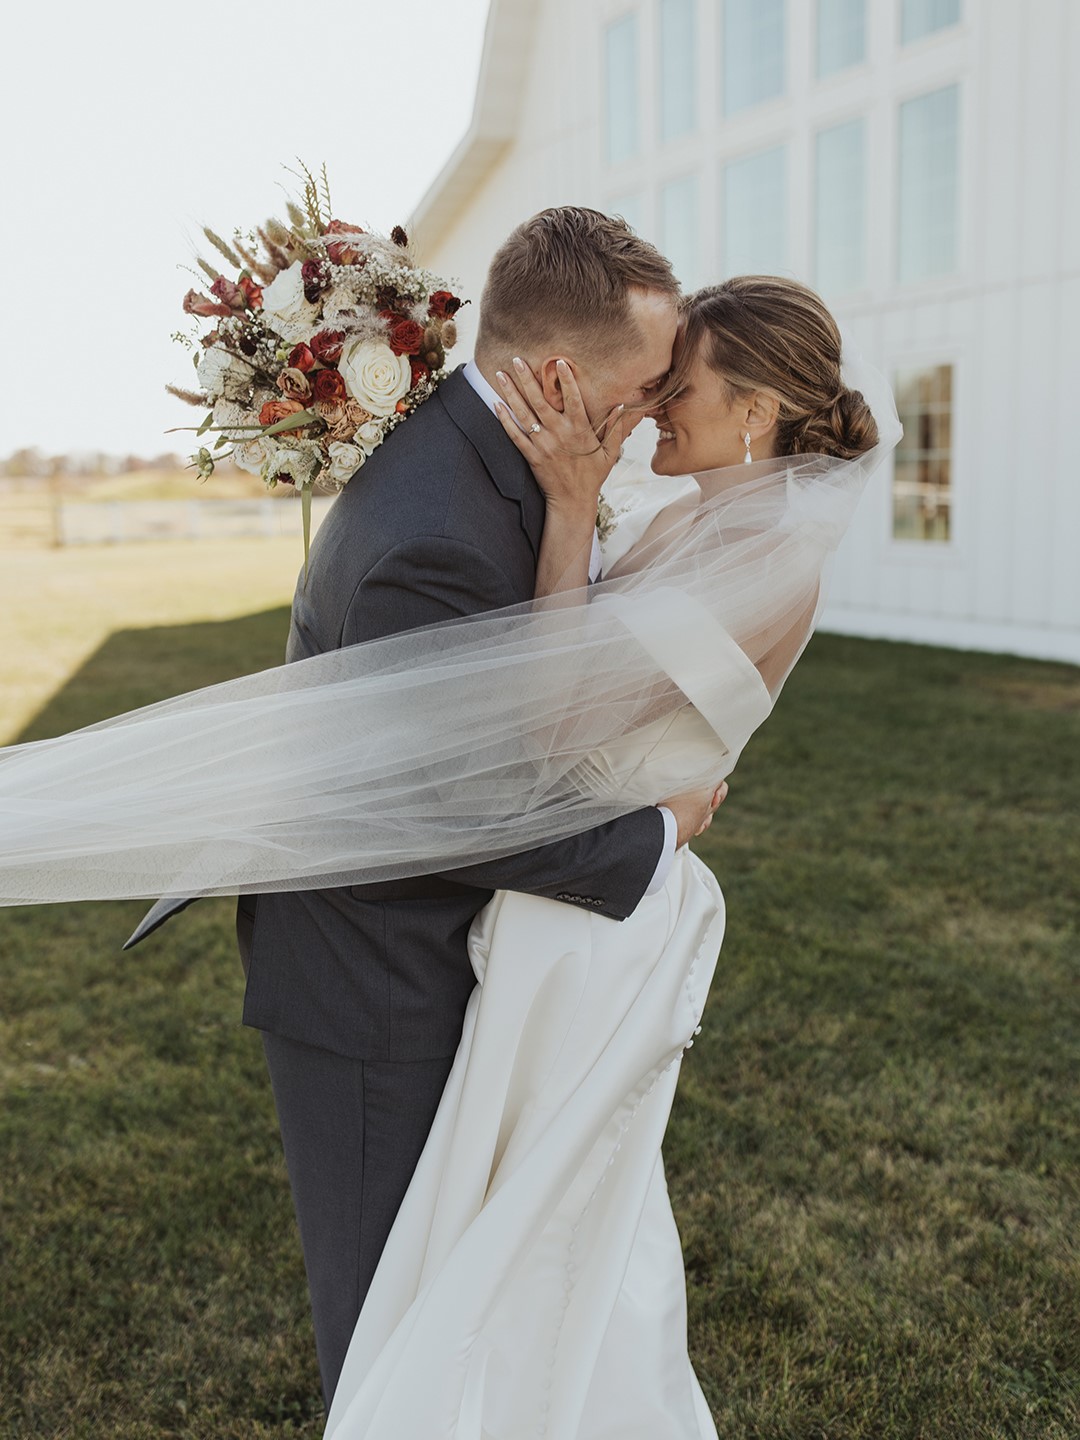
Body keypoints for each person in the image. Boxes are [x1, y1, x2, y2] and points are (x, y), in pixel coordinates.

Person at [123, 207, 731, 1409]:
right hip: (374, 985)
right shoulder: (435, 538)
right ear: (559, 376)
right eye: (649, 382)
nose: (658, 407)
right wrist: (663, 828)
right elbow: (465, 812)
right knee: (390, 1336)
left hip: (422, 955)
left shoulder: (504, 465)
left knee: (451, 1300)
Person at [319, 274, 895, 1438]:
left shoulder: (768, 549)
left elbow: (556, 725)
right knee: (528, 1210)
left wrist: (574, 511)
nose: (653, 409)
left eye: (681, 388)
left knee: (554, 1220)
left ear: (758, 409)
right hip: (574, 887)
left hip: (592, 918)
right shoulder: (702, 518)